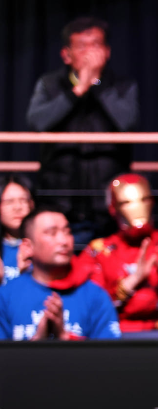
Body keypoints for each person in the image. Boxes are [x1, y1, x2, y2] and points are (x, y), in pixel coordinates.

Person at [25, 16, 139, 244]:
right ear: (66, 55)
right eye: (82, 46)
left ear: (107, 52)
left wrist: (96, 84)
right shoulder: (49, 84)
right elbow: (37, 122)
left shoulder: (122, 85)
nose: (90, 53)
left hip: (107, 202)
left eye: (96, 45)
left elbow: (127, 122)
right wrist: (78, 89)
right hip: (60, 198)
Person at [79, 174, 158, 332]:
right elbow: (89, 309)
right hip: (115, 337)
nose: (136, 208)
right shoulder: (98, 251)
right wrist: (134, 279)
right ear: (113, 208)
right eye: (126, 202)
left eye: (144, 200)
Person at [0, 208, 119, 341]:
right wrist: (37, 341)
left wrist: (64, 337)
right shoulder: (5, 297)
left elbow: (109, 352)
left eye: (67, 232)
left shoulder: (95, 296)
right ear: (28, 247)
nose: (63, 241)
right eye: (52, 233)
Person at [1, 175, 35, 284]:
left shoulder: (42, 247)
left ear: (32, 204)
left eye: (23, 200)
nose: (18, 207)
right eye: (9, 201)